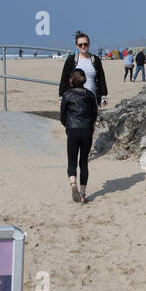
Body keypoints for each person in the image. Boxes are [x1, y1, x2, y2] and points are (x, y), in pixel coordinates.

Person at [60, 68, 98, 203]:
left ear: (71, 80)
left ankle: (73, 184)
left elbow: (62, 116)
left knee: (72, 160)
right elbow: (94, 114)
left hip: (73, 129)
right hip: (86, 129)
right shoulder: (90, 95)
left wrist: (68, 126)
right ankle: (82, 194)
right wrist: (90, 125)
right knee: (83, 162)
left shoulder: (67, 95)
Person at [58, 30, 108, 108]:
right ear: (76, 46)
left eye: (85, 44)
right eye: (80, 45)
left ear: (89, 44)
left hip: (93, 102)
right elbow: (64, 78)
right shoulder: (71, 60)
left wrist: (104, 96)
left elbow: (101, 78)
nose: (83, 46)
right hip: (74, 102)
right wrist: (61, 97)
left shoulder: (96, 60)